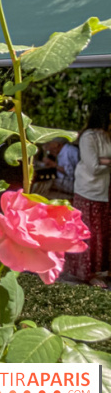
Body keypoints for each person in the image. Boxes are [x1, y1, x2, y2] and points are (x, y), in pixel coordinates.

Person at [63, 100, 111, 285]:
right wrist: (106, 161)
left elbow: (101, 162)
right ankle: (88, 273)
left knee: (104, 232)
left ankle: (102, 270)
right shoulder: (88, 137)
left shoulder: (106, 135)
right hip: (89, 191)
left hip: (105, 191)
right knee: (90, 232)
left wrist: (105, 160)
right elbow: (94, 166)